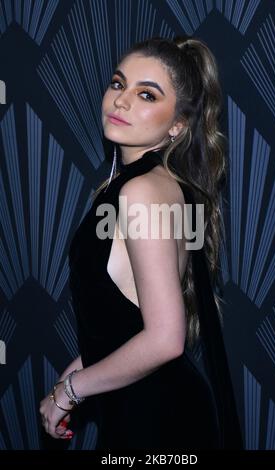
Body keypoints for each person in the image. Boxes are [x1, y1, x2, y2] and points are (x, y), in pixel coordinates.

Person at [40, 35, 243, 450]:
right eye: (118, 84)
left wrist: (71, 390)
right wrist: (77, 371)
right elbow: (129, 319)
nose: (122, 100)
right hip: (156, 413)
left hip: (154, 426)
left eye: (146, 93)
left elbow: (166, 338)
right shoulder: (164, 186)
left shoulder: (141, 192)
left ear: (177, 126)